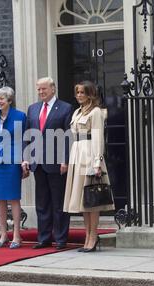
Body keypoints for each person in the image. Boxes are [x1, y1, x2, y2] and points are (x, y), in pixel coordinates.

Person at [63, 81, 115, 252]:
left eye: (82, 93)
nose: (79, 95)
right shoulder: (77, 112)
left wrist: (97, 162)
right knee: (82, 201)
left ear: (90, 94)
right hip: (77, 154)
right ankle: (87, 235)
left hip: (89, 154)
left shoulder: (96, 112)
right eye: (77, 92)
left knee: (92, 201)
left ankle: (93, 236)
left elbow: (98, 138)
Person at [22, 77, 73, 250]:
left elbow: (68, 136)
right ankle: (44, 238)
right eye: (38, 89)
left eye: (44, 89)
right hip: (38, 163)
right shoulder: (33, 109)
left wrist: (65, 159)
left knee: (58, 203)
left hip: (57, 163)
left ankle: (60, 238)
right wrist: (25, 157)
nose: (41, 92)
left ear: (53, 89)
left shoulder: (65, 108)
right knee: (42, 203)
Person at [0, 86, 27, 249]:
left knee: (13, 197)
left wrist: (24, 160)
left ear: (9, 100)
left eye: (2, 98)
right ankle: (3, 234)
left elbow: (24, 139)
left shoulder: (20, 116)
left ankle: (17, 234)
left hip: (13, 161)